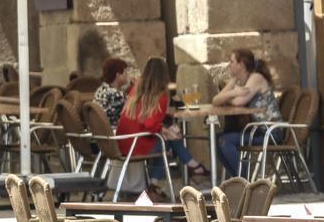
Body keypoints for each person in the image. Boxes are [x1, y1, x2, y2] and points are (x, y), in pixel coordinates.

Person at [115, 57, 207, 199]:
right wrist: (166, 131)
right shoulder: (160, 96)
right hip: (137, 144)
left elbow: (145, 121)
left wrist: (165, 130)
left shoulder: (137, 88)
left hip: (124, 142)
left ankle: (158, 183)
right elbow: (150, 124)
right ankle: (194, 167)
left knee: (166, 139)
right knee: (168, 142)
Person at [212, 49, 281, 177]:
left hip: (270, 132)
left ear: (241, 65)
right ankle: (238, 178)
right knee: (217, 139)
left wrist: (230, 96)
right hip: (257, 130)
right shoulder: (238, 81)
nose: (229, 65)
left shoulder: (256, 78)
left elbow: (239, 102)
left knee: (225, 140)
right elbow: (216, 100)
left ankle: (243, 181)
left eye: (232, 61)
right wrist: (233, 91)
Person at [93, 58, 130, 127]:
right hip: (114, 134)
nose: (127, 75)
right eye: (125, 72)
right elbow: (133, 114)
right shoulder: (117, 95)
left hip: (99, 132)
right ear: (118, 75)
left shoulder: (100, 89)